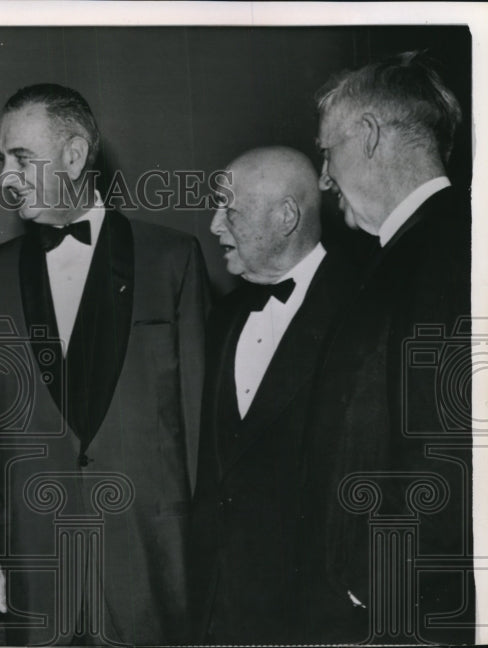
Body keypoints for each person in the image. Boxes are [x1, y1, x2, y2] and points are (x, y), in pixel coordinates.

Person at [0, 83, 209, 645]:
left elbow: (196, 420)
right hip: (35, 561)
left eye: (21, 158)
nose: (5, 176)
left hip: (150, 557)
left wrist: (203, 545)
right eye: (1, 160)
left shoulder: (173, 260)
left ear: (74, 156)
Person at [303, 51, 473, 644]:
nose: (324, 178)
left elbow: (450, 447)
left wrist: (382, 586)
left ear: (369, 135)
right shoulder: (433, 242)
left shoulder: (441, 251)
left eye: (327, 152)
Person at [188, 146, 357, 643]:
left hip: (313, 615)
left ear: (286, 217)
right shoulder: (221, 318)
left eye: (229, 211)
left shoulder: (361, 309)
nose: (215, 226)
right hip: (218, 609)